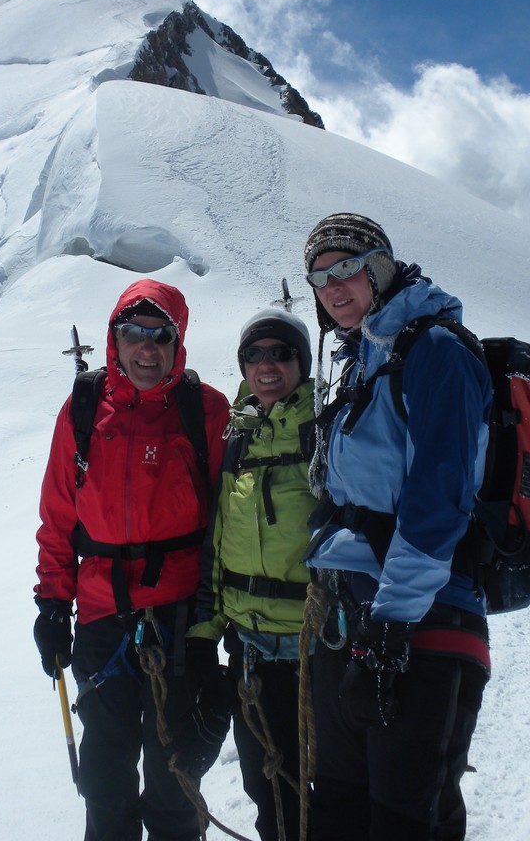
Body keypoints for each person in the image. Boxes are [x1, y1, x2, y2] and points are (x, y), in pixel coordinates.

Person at [301, 213, 492, 841]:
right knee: (336, 812)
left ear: (379, 268)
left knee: (405, 822)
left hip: (420, 626)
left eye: (346, 268)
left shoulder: (434, 352)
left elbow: (438, 501)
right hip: (353, 622)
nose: (332, 287)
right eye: (319, 277)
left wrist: (389, 627)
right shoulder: (366, 359)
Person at [33, 278, 230, 841]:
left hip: (182, 621)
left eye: (160, 335)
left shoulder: (205, 410)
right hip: (102, 620)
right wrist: (53, 605)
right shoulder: (83, 409)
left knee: (174, 780)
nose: (147, 348)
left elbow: (231, 517)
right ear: (113, 339)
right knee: (104, 779)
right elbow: (59, 518)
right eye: (133, 333)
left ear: (178, 341)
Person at [187, 307, 317, 841]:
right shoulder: (236, 438)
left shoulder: (325, 429)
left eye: (281, 353)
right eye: (254, 355)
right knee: (271, 794)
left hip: (318, 648)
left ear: (301, 363)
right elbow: (218, 543)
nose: (267, 365)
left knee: (336, 796)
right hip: (250, 653)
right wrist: (204, 634)